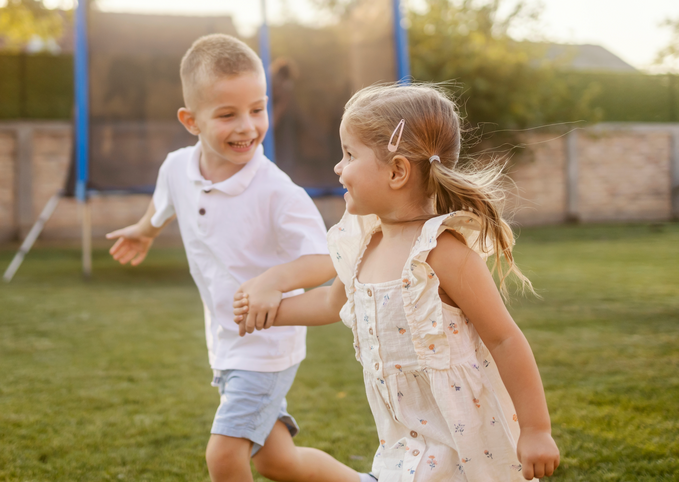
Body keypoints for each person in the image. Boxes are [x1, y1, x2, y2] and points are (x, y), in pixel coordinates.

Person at [234, 84, 560, 481]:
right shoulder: (365, 242)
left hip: (463, 442)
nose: (339, 167)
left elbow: (505, 339)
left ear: (397, 171)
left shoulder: (442, 253)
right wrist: (266, 312)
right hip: (403, 441)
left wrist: (536, 429)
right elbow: (329, 304)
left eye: (350, 154)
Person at [106, 34, 373, 482]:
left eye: (257, 109)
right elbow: (165, 204)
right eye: (227, 115)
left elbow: (328, 259)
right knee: (276, 461)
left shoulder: (276, 192)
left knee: (224, 456)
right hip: (227, 343)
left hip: (265, 347)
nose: (247, 126)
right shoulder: (176, 168)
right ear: (190, 121)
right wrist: (144, 230)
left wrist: (274, 280)